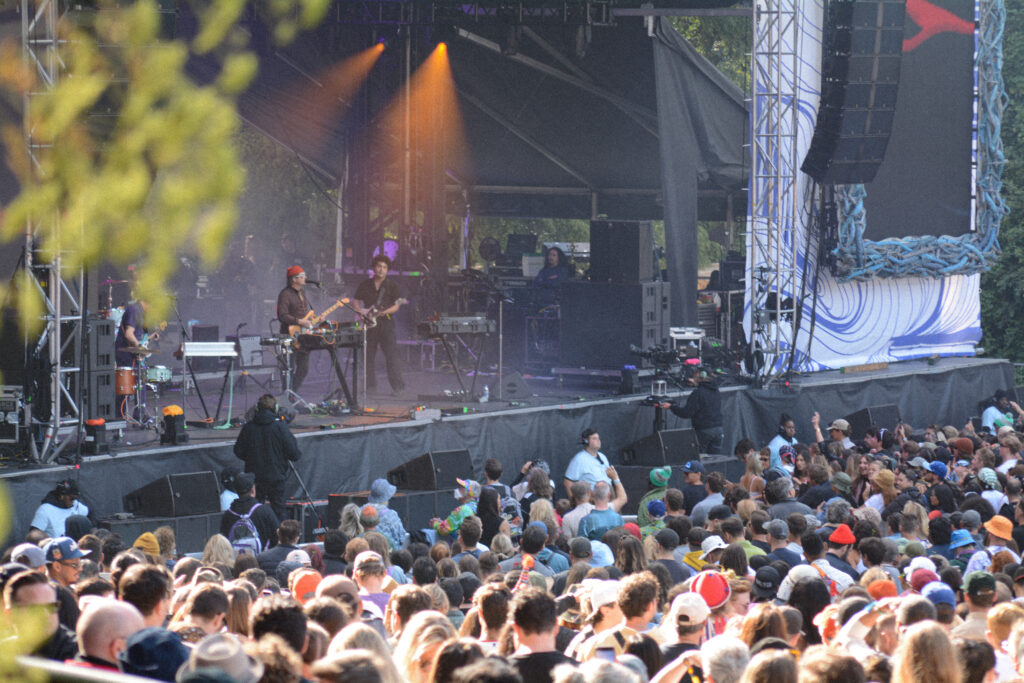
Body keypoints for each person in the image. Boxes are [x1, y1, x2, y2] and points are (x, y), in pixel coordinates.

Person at [234, 393, 302, 520]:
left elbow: (238, 450)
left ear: (257, 409)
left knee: (254, 511)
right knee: (279, 512)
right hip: (276, 477)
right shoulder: (280, 427)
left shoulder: (248, 428)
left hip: (254, 477)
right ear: (275, 409)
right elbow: (295, 454)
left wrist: (251, 458)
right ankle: (280, 538)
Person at [352, 254, 406, 394]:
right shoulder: (365, 284)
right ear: (374, 268)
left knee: (391, 355)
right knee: (368, 355)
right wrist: (360, 311)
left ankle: (398, 388)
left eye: (384, 267)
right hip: (369, 323)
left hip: (386, 323)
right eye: (379, 266)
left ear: (387, 270)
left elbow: (397, 305)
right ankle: (371, 387)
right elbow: (356, 300)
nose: (381, 269)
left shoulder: (392, 285)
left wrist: (384, 312)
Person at [658, 369, 724, 454]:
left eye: (694, 377)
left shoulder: (698, 393)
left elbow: (686, 413)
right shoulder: (716, 391)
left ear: (698, 376)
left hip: (704, 430)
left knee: (699, 457)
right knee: (715, 459)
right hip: (719, 429)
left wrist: (671, 407)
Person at [220, 472, 280, 553]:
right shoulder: (264, 511)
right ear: (253, 490)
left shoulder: (228, 514)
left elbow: (223, 540)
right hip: (261, 561)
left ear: (236, 491)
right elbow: (277, 536)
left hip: (235, 561)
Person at [276, 265, 314, 391]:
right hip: (288, 336)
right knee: (288, 368)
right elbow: (282, 315)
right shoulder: (285, 294)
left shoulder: (303, 293)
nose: (305, 278)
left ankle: (292, 393)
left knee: (304, 368)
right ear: (294, 279)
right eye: (302, 276)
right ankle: (287, 395)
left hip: (302, 336)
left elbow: (303, 313)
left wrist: (310, 320)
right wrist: (299, 321)